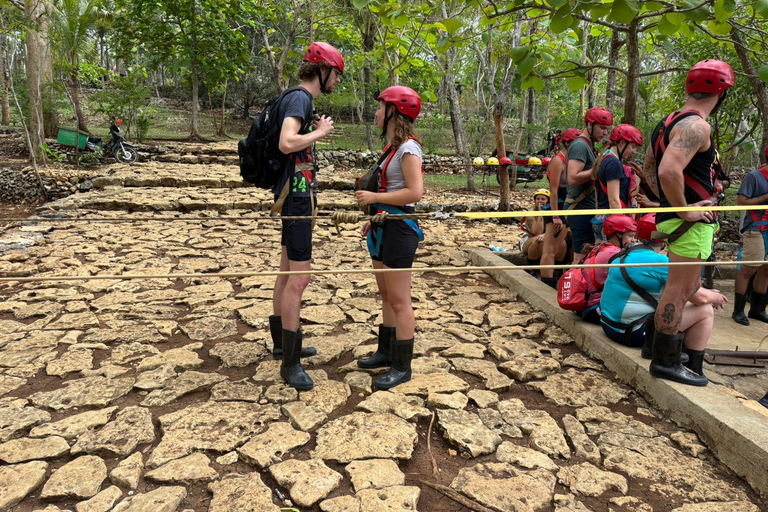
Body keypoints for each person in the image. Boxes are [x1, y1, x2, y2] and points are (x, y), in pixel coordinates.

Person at [646, 59, 735, 386]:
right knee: (680, 289)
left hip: (675, 219)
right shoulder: (697, 126)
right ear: (723, 92)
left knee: (679, 287)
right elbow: (667, 171)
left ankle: (660, 350)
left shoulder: (666, 123)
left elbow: (648, 170)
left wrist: (667, 206)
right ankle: (665, 362)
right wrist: (683, 210)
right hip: (689, 224)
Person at [270, 42, 344, 391]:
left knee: (286, 273)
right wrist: (320, 133)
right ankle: (290, 363)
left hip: (295, 196)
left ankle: (284, 343)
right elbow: (287, 143)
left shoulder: (295, 98)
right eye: (337, 75)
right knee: (299, 280)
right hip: (296, 198)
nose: (338, 82)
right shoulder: (300, 98)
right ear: (323, 70)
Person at [600, 214, 727, 384]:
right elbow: (699, 298)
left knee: (681, 303)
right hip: (630, 332)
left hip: (610, 326)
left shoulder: (628, 253)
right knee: (704, 311)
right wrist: (715, 297)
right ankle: (694, 369)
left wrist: (704, 292)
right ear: (664, 238)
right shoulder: (659, 261)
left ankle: (681, 359)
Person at [355, 86, 424, 390]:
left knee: (399, 299)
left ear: (394, 112)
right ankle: (386, 351)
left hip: (399, 228)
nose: (377, 112)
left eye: (381, 107)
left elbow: (415, 192)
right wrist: (374, 212)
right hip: (383, 224)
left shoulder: (409, 149)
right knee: (386, 296)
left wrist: (373, 196)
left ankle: (402, 365)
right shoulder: (392, 149)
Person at [566, 107, 614, 263]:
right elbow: (573, 178)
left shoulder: (589, 146)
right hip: (579, 208)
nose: (605, 132)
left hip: (585, 208)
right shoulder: (580, 146)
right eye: (602, 128)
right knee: (580, 256)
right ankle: (572, 286)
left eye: (607, 129)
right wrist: (596, 170)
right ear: (589, 125)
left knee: (586, 253)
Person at [576, 214, 637, 323]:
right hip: (594, 309)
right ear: (618, 234)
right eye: (630, 236)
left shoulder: (601, 247)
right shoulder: (616, 253)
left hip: (584, 306)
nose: (634, 240)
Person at [732, 146, 768, 325]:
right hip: (755, 227)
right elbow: (742, 202)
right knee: (749, 268)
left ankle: (758, 309)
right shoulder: (754, 177)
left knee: (766, 269)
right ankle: (738, 310)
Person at [541, 128, 580, 288]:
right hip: (556, 208)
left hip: (568, 209)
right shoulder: (558, 160)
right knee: (549, 250)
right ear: (567, 143)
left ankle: (552, 280)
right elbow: (553, 190)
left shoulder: (572, 161)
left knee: (556, 248)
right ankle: (546, 284)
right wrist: (556, 215)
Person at [592, 124, 644, 239]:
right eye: (633, 147)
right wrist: (621, 228)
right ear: (622, 143)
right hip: (611, 220)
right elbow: (614, 200)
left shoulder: (605, 159)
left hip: (602, 218)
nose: (634, 151)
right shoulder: (613, 163)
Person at [520, 189, 550, 267]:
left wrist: (546, 235)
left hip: (548, 236)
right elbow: (538, 232)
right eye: (538, 199)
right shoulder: (531, 213)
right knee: (539, 240)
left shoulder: (553, 211)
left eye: (543, 199)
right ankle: (532, 267)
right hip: (529, 239)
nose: (540, 201)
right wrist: (541, 212)